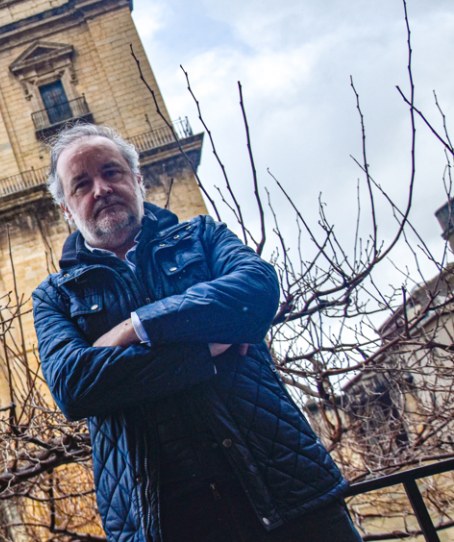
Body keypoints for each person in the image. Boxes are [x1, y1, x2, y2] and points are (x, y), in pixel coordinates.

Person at [32, 123, 361, 542]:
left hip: (289, 493)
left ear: (138, 180)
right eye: (81, 184)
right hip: (166, 522)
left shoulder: (204, 236)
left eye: (112, 172)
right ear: (67, 209)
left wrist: (135, 327)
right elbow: (74, 385)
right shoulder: (55, 296)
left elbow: (256, 292)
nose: (101, 189)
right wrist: (203, 349)